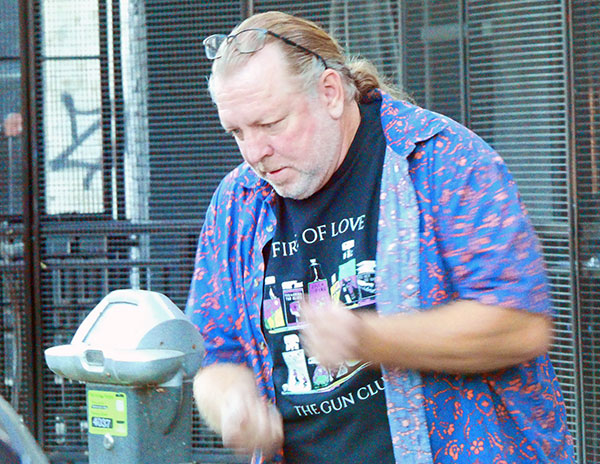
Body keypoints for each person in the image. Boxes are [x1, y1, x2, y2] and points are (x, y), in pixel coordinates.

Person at [186, 10, 574, 464]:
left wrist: (370, 339)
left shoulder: (444, 159)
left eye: (271, 124)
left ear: (330, 93)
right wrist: (231, 405)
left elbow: (520, 325)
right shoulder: (237, 200)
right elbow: (215, 352)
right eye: (237, 132)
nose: (255, 153)